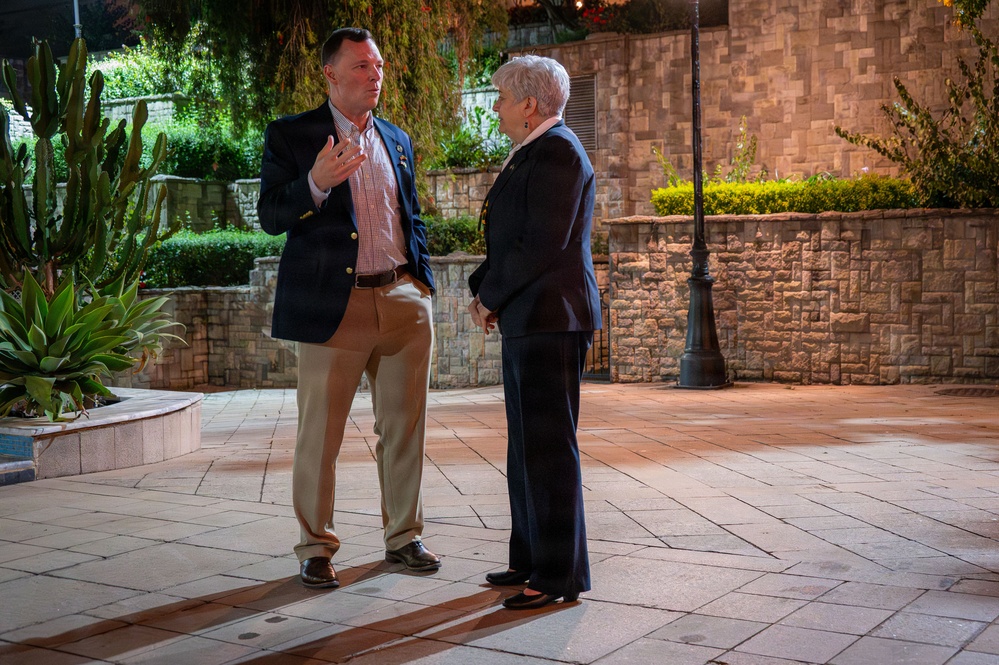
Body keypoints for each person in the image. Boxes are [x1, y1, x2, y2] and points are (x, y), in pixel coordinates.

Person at [258, 27, 440, 589]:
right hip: (333, 307)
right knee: (322, 435)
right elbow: (269, 215)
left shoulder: (397, 138)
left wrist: (422, 282)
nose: (375, 75)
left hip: (403, 303)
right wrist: (314, 182)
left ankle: (404, 537)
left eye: (379, 66)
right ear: (330, 75)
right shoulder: (292, 135)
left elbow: (411, 216)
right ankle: (316, 547)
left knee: (406, 429)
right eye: (361, 66)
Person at [467, 54, 601, 610]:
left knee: (548, 449)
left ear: (528, 103)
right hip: (532, 318)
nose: (495, 109)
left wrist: (488, 295)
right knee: (526, 448)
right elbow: (510, 240)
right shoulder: (534, 152)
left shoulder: (560, 152)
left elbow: (540, 246)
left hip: (551, 320)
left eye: (500, 99)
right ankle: (529, 557)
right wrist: (486, 289)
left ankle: (554, 575)